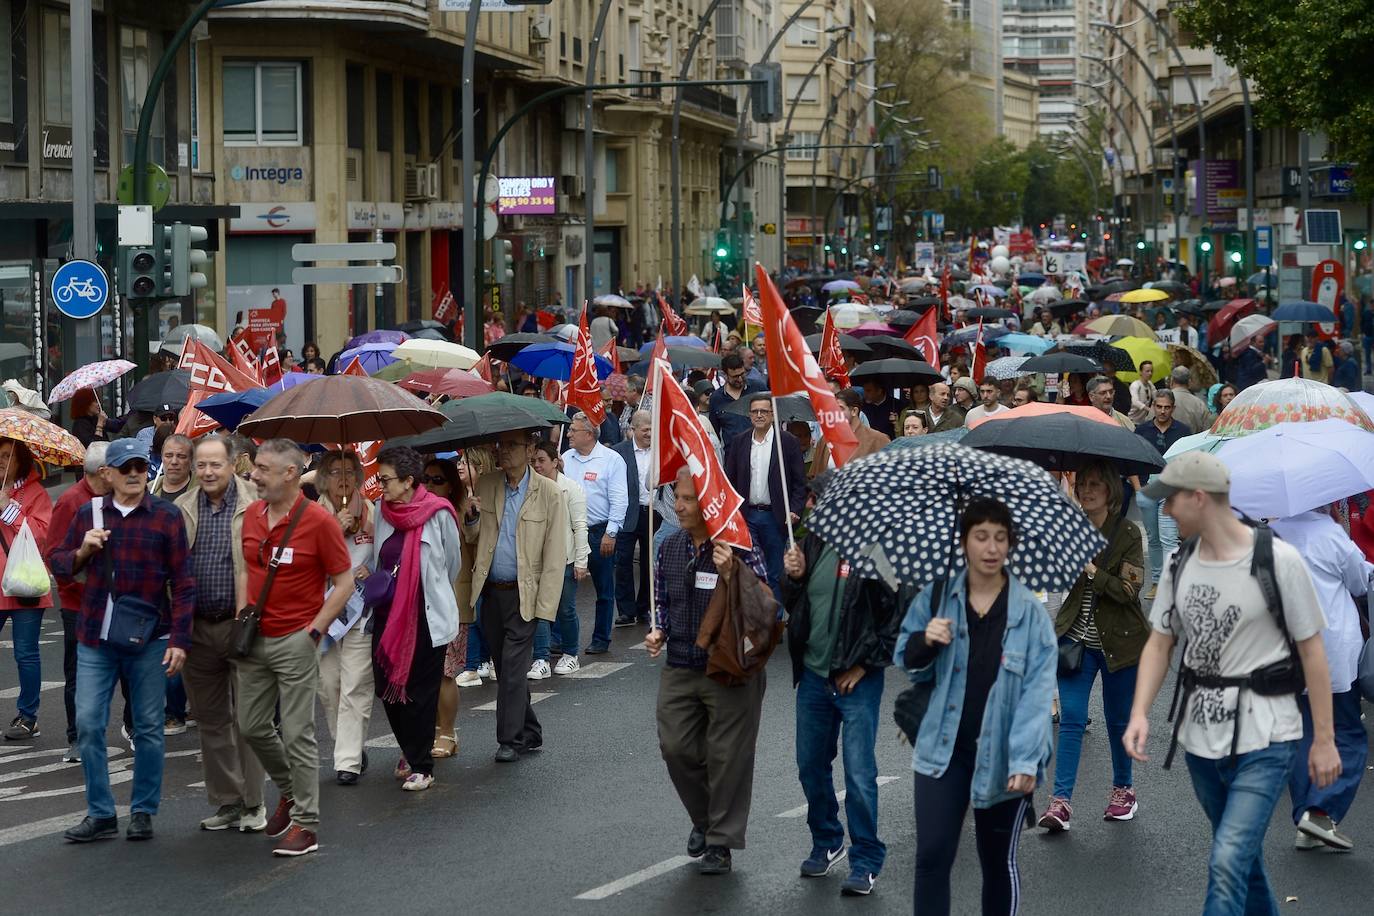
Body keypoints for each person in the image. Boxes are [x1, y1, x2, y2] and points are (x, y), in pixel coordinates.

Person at [1124, 453, 1342, 916]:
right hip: (1200, 742)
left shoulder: (1277, 560)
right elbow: (1160, 643)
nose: (1164, 512)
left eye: (1171, 502)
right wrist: (1140, 712)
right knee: (1240, 857)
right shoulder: (1179, 564)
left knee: (1226, 859)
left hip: (1268, 737)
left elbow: (1312, 651)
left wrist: (1323, 740)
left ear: (1199, 498)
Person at [895, 497, 1056, 915]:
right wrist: (925, 639)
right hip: (941, 750)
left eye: (1000, 538)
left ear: (1010, 544)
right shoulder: (937, 598)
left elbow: (1037, 696)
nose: (991, 547)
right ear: (964, 541)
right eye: (980, 536)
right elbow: (906, 659)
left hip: (1005, 755)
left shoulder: (1030, 615)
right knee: (932, 856)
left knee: (996, 863)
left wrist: (1024, 760)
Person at [49, 438, 195, 843]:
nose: (134, 474)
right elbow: (58, 563)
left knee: (149, 727)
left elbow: (183, 583)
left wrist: (179, 639)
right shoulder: (88, 514)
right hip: (96, 636)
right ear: (107, 474)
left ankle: (143, 811)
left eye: (139, 466)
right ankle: (100, 813)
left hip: (150, 638)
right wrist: (82, 550)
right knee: (90, 724)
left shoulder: (166, 517)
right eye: (125, 467)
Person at [645, 467, 772, 876]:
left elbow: (766, 604)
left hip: (729, 666)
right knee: (676, 747)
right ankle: (704, 819)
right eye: (676, 498)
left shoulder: (738, 544)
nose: (677, 506)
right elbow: (663, 599)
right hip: (680, 663)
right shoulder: (668, 546)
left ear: (708, 503)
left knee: (727, 756)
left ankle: (720, 842)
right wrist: (658, 631)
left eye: (685, 499)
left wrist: (735, 574)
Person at [782, 475, 900, 897]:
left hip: (856, 681)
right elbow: (797, 609)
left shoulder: (875, 550)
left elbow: (893, 616)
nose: (812, 505)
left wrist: (865, 666)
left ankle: (866, 858)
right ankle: (828, 838)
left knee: (860, 773)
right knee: (810, 766)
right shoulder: (810, 544)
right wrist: (793, 578)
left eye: (820, 499)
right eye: (812, 498)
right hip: (814, 676)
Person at [239, 439, 356, 857]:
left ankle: (306, 825)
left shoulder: (319, 521)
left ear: (291, 474)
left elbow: (344, 583)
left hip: (296, 638)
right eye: (255, 467)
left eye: (264, 468)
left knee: (297, 733)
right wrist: (242, 613)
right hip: (254, 638)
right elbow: (246, 567)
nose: (254, 475)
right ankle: (290, 791)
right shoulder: (252, 515)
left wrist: (314, 631)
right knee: (251, 725)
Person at [1038, 460, 1147, 832]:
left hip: (1120, 641)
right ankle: (1060, 802)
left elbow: (1129, 591)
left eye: (1095, 484)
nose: (1086, 490)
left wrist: (1091, 571)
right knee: (1070, 718)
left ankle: (1123, 791)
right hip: (1075, 641)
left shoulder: (1128, 533)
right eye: (1081, 483)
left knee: (1117, 720)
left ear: (1111, 491)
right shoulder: (1069, 531)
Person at [175, 434, 268, 832]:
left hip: (243, 626)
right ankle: (227, 802)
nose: (208, 471)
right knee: (212, 721)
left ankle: (254, 803)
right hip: (197, 628)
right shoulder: (181, 508)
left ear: (234, 464)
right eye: (201, 465)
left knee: (249, 719)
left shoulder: (258, 506)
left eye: (216, 464)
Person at [460, 429, 567, 762]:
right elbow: (475, 537)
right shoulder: (489, 484)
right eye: (500, 445)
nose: (503, 451)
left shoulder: (549, 492)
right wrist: (472, 515)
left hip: (525, 594)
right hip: (491, 592)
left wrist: (545, 608)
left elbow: (554, 555)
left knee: (512, 669)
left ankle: (509, 740)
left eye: (511, 446)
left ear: (530, 449)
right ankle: (530, 730)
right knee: (507, 669)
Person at [1270, 506, 1371, 851]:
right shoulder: (1330, 535)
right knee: (1348, 734)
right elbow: (1359, 580)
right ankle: (1320, 810)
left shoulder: (1271, 536)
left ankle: (1307, 818)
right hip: (1332, 649)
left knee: (1304, 733)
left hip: (1288, 648)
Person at [368, 447, 462, 792]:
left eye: (386, 479)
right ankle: (411, 747)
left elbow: (452, 563)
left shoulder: (438, 513)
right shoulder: (381, 511)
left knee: (421, 693)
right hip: (387, 616)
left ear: (409, 481)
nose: (381, 485)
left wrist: (425, 588)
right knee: (388, 689)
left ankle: (421, 764)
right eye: (379, 478)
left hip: (426, 615)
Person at [313, 450, 376, 785]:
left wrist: (374, 571)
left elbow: (386, 554)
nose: (343, 479)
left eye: (350, 472)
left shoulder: (372, 511)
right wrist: (333, 531)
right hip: (324, 616)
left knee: (356, 684)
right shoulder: (312, 515)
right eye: (336, 472)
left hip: (361, 613)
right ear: (324, 477)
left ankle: (347, 761)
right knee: (329, 686)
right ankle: (346, 744)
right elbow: (305, 565)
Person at [47, 442, 111, 761]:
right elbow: (55, 554)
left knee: (125, 670)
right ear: (103, 472)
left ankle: (131, 727)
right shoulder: (71, 501)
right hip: (79, 604)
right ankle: (76, 737)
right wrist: (78, 567)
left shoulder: (119, 499)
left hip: (115, 601)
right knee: (78, 674)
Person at [723, 393, 806, 603]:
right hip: (747, 516)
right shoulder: (739, 442)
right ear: (749, 415)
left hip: (774, 517)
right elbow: (730, 479)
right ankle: (754, 618)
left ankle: (774, 620)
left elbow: (799, 483)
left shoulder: (787, 442)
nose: (759, 415)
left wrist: (795, 509)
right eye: (755, 411)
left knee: (775, 571)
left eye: (764, 411)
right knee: (750, 569)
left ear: (772, 415)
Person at [0, 437, 54, 741]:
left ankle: (28, 716)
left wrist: (9, 510)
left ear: (20, 459)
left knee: (26, 654)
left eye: (7, 455)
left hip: (25, 581)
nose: (1, 460)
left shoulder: (35, 493)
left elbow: (40, 534)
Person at [562, 412, 628, 655]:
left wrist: (611, 533)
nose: (568, 434)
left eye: (573, 430)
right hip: (569, 531)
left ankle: (601, 638)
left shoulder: (611, 460)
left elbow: (620, 499)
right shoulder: (565, 459)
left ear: (588, 435)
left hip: (599, 531)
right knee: (564, 587)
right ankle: (560, 639)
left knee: (603, 589)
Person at [421, 458, 471, 758]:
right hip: (422, 605)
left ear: (451, 485)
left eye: (437, 480)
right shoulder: (417, 511)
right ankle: (429, 731)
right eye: (424, 479)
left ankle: (447, 733)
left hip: (451, 602)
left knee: (445, 673)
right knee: (425, 675)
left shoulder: (461, 512)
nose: (429, 485)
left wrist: (473, 517)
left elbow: (455, 562)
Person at [531, 441, 588, 676]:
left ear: (555, 462)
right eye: (534, 461)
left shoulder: (571, 488)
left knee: (565, 609)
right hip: (537, 560)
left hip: (564, 559)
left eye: (542, 460)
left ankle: (570, 654)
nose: (537, 465)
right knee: (539, 610)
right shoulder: (530, 488)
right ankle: (541, 658)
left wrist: (581, 561)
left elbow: (579, 524)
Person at [612, 410, 654, 629]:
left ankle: (645, 608)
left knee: (649, 563)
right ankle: (626, 611)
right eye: (645, 429)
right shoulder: (619, 452)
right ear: (634, 429)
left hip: (653, 513)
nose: (649, 433)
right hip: (628, 514)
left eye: (652, 428)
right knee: (624, 562)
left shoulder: (660, 451)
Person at [812, 388, 889, 472]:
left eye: (840, 408)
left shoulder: (878, 440)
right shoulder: (825, 439)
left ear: (854, 411)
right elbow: (814, 475)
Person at [708, 353, 764, 445]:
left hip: (759, 449)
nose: (740, 379)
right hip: (732, 453)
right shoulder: (716, 398)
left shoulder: (758, 388)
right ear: (725, 375)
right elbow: (715, 432)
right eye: (735, 377)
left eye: (742, 374)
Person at [1168, 366, 1214, 434]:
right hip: (1192, 442)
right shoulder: (1199, 404)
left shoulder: (1161, 401)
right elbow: (1207, 430)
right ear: (1189, 382)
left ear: (1171, 381)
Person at [1128, 361, 1157, 425]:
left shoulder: (1150, 384)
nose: (1150, 373)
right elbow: (1135, 401)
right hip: (1132, 420)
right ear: (1141, 372)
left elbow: (1156, 397)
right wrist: (1149, 410)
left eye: (1151, 371)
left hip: (1142, 421)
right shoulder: (1135, 385)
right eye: (1147, 371)